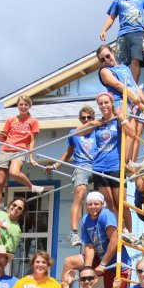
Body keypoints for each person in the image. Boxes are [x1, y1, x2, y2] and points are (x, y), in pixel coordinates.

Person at [62, 191, 132, 288]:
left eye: (96, 204)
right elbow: (89, 246)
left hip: (117, 264)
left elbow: (115, 241)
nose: (93, 207)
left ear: (102, 204)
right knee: (69, 262)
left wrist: (103, 264)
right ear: (86, 205)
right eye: (90, 204)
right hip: (99, 259)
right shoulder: (86, 219)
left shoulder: (105, 214)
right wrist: (87, 269)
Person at [47, 105, 98, 246]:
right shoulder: (74, 133)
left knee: (99, 199)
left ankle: (98, 230)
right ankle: (74, 233)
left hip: (98, 166)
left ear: (93, 118)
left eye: (89, 117)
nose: (86, 120)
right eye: (83, 118)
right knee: (80, 193)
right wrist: (55, 166)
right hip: (81, 166)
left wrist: (96, 124)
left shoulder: (98, 130)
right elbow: (68, 153)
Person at [96, 45, 144, 169]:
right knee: (129, 128)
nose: (106, 60)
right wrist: (134, 99)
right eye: (102, 59)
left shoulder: (124, 68)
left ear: (112, 52)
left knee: (137, 131)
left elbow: (135, 86)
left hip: (134, 101)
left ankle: (132, 161)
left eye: (107, 56)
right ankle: (125, 163)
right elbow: (117, 84)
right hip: (122, 100)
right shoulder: (105, 71)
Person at [90, 91, 136, 228]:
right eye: (101, 103)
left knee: (121, 202)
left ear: (111, 103)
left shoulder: (117, 120)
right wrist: (90, 124)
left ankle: (129, 232)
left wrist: (122, 117)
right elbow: (77, 133)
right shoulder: (98, 123)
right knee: (109, 203)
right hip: (99, 167)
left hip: (115, 165)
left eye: (106, 102)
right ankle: (119, 229)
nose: (104, 105)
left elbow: (132, 133)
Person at [0, 94, 44, 210]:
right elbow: (4, 137)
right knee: (0, 181)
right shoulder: (11, 120)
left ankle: (32, 186)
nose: (23, 107)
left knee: (14, 172)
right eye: (21, 104)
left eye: (26, 104)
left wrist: (31, 157)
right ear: (17, 106)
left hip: (20, 150)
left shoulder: (33, 121)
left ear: (29, 106)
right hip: (5, 150)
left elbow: (32, 141)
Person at [100, 0, 144, 83]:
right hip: (123, 34)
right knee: (120, 62)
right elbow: (112, 17)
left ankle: (134, 87)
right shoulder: (118, 0)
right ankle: (121, 86)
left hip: (138, 33)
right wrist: (104, 30)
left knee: (135, 60)